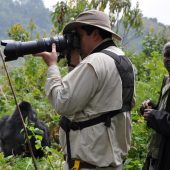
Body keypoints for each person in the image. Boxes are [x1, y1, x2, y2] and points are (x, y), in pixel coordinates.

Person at [37, 10, 135, 170]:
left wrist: (52, 67)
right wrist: (74, 64)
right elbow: (88, 102)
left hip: (88, 165)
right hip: (110, 163)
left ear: (95, 34)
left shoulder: (95, 61)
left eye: (79, 36)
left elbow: (63, 103)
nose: (76, 42)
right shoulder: (122, 59)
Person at [140, 42, 170, 170]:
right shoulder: (166, 80)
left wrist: (155, 115)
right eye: (166, 55)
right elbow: (164, 111)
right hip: (156, 152)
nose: (168, 59)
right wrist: (150, 108)